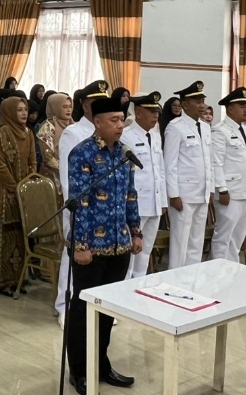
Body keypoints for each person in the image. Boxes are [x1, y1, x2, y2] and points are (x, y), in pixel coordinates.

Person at [64, 95, 141, 395]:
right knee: (83, 309)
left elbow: (130, 195)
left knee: (108, 310)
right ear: (97, 123)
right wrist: (81, 245)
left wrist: (135, 232)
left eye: (122, 120)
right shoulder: (82, 154)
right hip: (90, 248)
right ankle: (79, 370)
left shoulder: (124, 153)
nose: (120, 125)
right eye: (114, 120)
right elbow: (79, 203)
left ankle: (101, 364)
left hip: (119, 245)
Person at [55, 81, 109, 327]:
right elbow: (68, 177)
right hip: (79, 207)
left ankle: (93, 306)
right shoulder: (73, 133)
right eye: (96, 102)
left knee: (98, 259)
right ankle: (64, 305)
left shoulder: (106, 132)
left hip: (103, 208)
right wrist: (77, 207)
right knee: (73, 256)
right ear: (86, 105)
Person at [164, 81, 213, 269]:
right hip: (184, 194)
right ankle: (175, 277)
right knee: (180, 242)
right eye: (197, 101)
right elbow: (170, 164)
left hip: (202, 193)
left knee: (196, 241)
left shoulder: (205, 127)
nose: (202, 105)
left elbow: (208, 161)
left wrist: (210, 188)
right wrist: (174, 194)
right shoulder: (175, 127)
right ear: (184, 105)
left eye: (202, 101)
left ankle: (193, 276)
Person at [0, 95, 35, 296]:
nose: (24, 113)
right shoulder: (2, 135)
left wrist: (28, 184)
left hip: (24, 192)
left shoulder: (29, 133)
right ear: (9, 112)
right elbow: (0, 167)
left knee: (20, 235)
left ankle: (18, 279)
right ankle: (3, 281)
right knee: (5, 238)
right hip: (5, 194)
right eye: (19, 110)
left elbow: (33, 161)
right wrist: (16, 187)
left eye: (25, 109)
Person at [209, 87, 246, 264]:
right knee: (224, 236)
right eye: (241, 106)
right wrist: (222, 189)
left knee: (237, 237)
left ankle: (232, 270)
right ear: (229, 109)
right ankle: (219, 271)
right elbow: (216, 162)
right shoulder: (220, 131)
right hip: (230, 192)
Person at [123, 92, 164, 278]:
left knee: (145, 253)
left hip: (154, 202)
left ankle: (139, 286)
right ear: (138, 113)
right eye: (151, 112)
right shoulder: (126, 136)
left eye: (157, 112)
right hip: (136, 204)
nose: (155, 116)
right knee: (130, 254)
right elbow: (125, 174)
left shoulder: (155, 136)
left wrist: (163, 201)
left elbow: (160, 170)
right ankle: (125, 289)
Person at [36, 92, 72, 198]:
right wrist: (65, 169)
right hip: (53, 176)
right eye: (64, 107)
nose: (69, 110)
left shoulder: (72, 125)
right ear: (55, 107)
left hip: (72, 175)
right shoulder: (47, 127)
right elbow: (47, 156)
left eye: (70, 106)